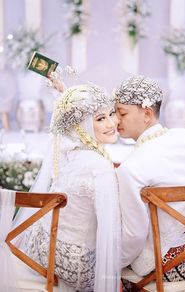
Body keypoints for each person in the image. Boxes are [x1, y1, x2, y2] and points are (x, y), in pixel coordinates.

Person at [17, 83, 121, 292]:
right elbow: (110, 233)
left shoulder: (65, 151)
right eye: (100, 119)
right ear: (81, 125)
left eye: (111, 113)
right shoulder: (99, 166)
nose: (112, 123)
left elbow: (66, 123)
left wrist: (63, 93)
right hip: (75, 266)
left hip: (38, 246)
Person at [114, 75, 185, 281]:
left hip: (162, 267)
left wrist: (109, 262)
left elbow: (134, 236)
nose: (115, 120)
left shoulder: (131, 168)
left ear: (147, 114)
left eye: (121, 113)